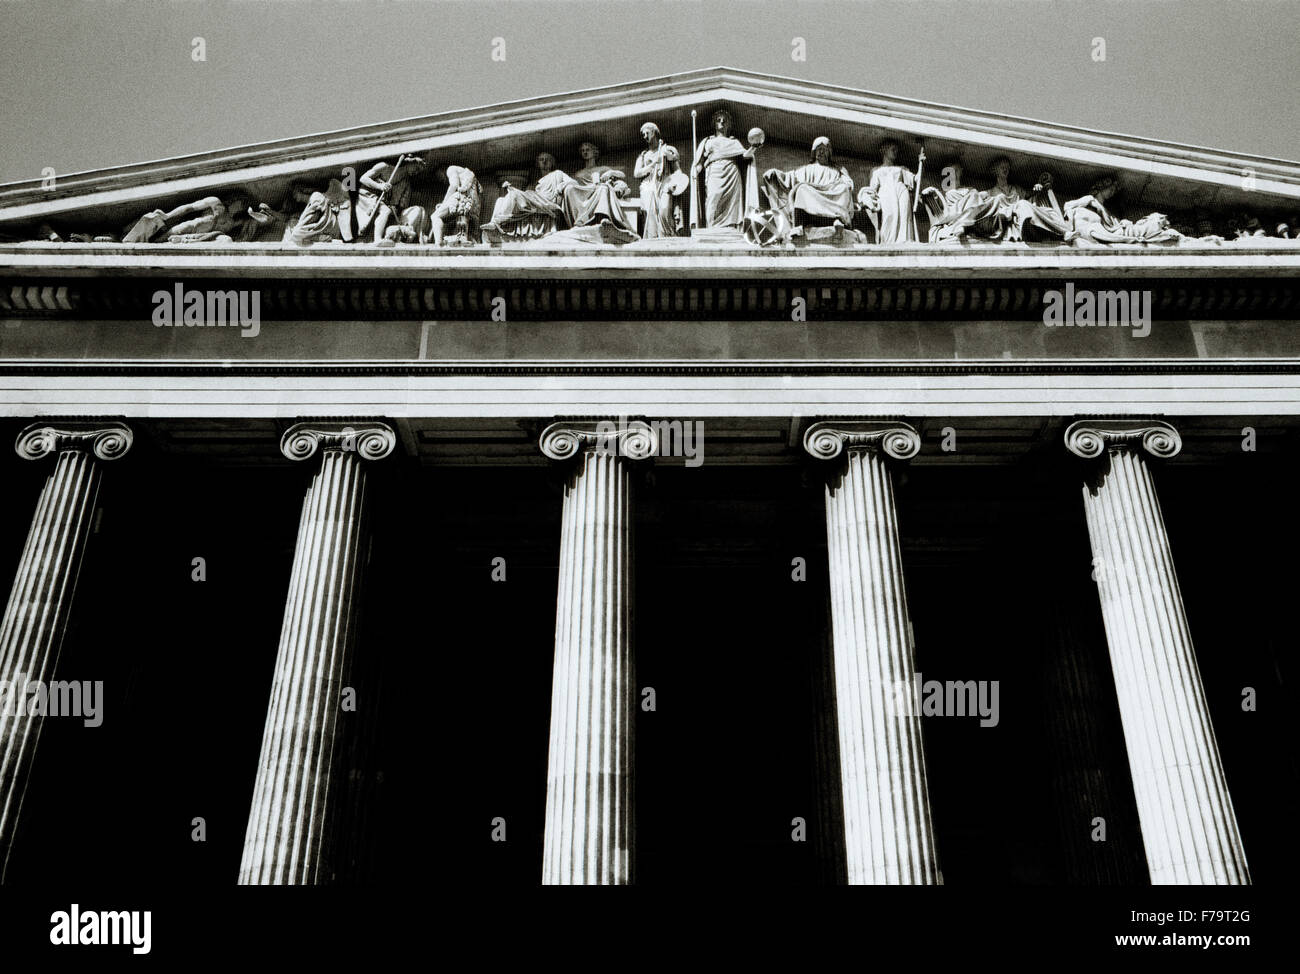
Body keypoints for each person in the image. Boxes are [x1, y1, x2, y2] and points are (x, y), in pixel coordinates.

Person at [762, 137, 854, 228]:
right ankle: (799, 226)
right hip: (813, 197)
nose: (821, 152)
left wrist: (843, 184)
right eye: (819, 149)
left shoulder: (837, 170)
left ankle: (838, 218)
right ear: (814, 152)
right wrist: (775, 174)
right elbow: (790, 178)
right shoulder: (807, 169)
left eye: (824, 149)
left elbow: (848, 183)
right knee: (802, 188)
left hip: (830, 196)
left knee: (844, 188)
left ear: (829, 153)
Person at [691, 109, 755, 228]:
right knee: (712, 198)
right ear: (714, 124)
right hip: (714, 171)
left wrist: (754, 146)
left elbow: (745, 155)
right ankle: (711, 226)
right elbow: (700, 161)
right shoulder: (707, 141)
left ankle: (731, 226)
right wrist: (696, 170)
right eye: (718, 120)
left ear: (729, 124)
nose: (721, 122)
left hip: (732, 172)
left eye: (724, 121)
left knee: (732, 204)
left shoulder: (734, 141)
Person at [559, 142, 636, 234]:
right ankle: (579, 221)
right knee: (569, 189)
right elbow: (576, 186)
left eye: (588, 150)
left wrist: (611, 173)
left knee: (603, 188)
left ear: (594, 152)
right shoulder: (579, 173)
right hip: (584, 194)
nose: (585, 152)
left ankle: (602, 217)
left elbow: (622, 174)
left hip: (597, 190)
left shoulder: (602, 168)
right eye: (583, 150)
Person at [487, 152, 567, 239]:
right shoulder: (537, 183)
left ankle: (497, 222)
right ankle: (493, 224)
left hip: (546, 202)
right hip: (536, 200)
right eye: (541, 159)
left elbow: (572, 183)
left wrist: (561, 185)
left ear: (552, 163)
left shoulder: (558, 173)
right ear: (538, 164)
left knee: (514, 194)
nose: (544, 162)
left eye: (547, 159)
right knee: (500, 200)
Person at [355, 155, 428, 244]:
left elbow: (402, 205)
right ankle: (377, 239)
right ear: (409, 162)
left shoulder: (406, 184)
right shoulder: (384, 167)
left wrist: (395, 207)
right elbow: (363, 178)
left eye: (419, 171)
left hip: (384, 204)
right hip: (368, 196)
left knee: (388, 211)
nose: (416, 172)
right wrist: (380, 186)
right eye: (416, 168)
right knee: (385, 211)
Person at [858, 140, 918, 243]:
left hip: (901, 191)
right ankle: (888, 243)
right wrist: (866, 197)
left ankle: (904, 242)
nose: (896, 152)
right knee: (889, 216)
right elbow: (872, 189)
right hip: (885, 193)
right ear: (884, 151)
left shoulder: (901, 169)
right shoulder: (876, 170)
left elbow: (916, 180)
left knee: (904, 217)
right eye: (893, 150)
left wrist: (922, 164)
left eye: (897, 150)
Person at [634, 122, 685, 239]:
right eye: (643, 135)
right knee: (650, 212)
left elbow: (678, 170)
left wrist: (678, 182)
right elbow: (636, 173)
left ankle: (668, 236)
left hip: (665, 183)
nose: (645, 136)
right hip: (648, 185)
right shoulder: (643, 155)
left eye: (647, 133)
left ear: (654, 132)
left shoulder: (667, 149)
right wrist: (651, 166)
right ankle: (652, 237)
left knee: (664, 209)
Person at [430, 165, 482, 246]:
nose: (442, 180)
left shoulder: (450, 169)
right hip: (471, 202)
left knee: (435, 216)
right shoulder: (468, 175)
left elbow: (454, 185)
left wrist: (444, 203)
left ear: (441, 172)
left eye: (439, 177)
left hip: (461, 197)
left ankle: (438, 243)